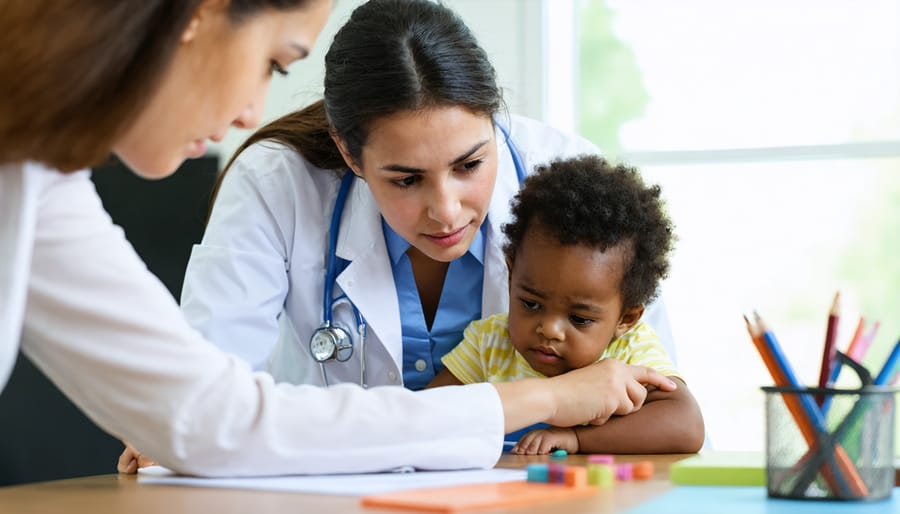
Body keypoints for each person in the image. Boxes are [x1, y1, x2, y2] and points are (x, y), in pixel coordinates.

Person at [0, 0, 677, 478]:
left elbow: (194, 413)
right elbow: (204, 418)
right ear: (196, 16)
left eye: (470, 164)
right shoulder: (273, 183)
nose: (250, 113)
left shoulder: (36, 181)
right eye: (275, 61)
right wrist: (547, 399)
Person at [179, 0, 679, 397]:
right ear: (349, 154)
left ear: (494, 120)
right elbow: (207, 389)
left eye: (469, 165)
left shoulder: (570, 179)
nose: (446, 210)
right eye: (406, 180)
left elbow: (656, 394)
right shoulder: (276, 183)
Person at [429, 155, 705, 455]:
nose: (549, 329)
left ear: (626, 319)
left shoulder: (630, 352)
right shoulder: (490, 343)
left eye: (580, 318)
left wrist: (576, 438)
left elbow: (686, 425)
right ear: (510, 277)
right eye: (531, 304)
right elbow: (427, 415)